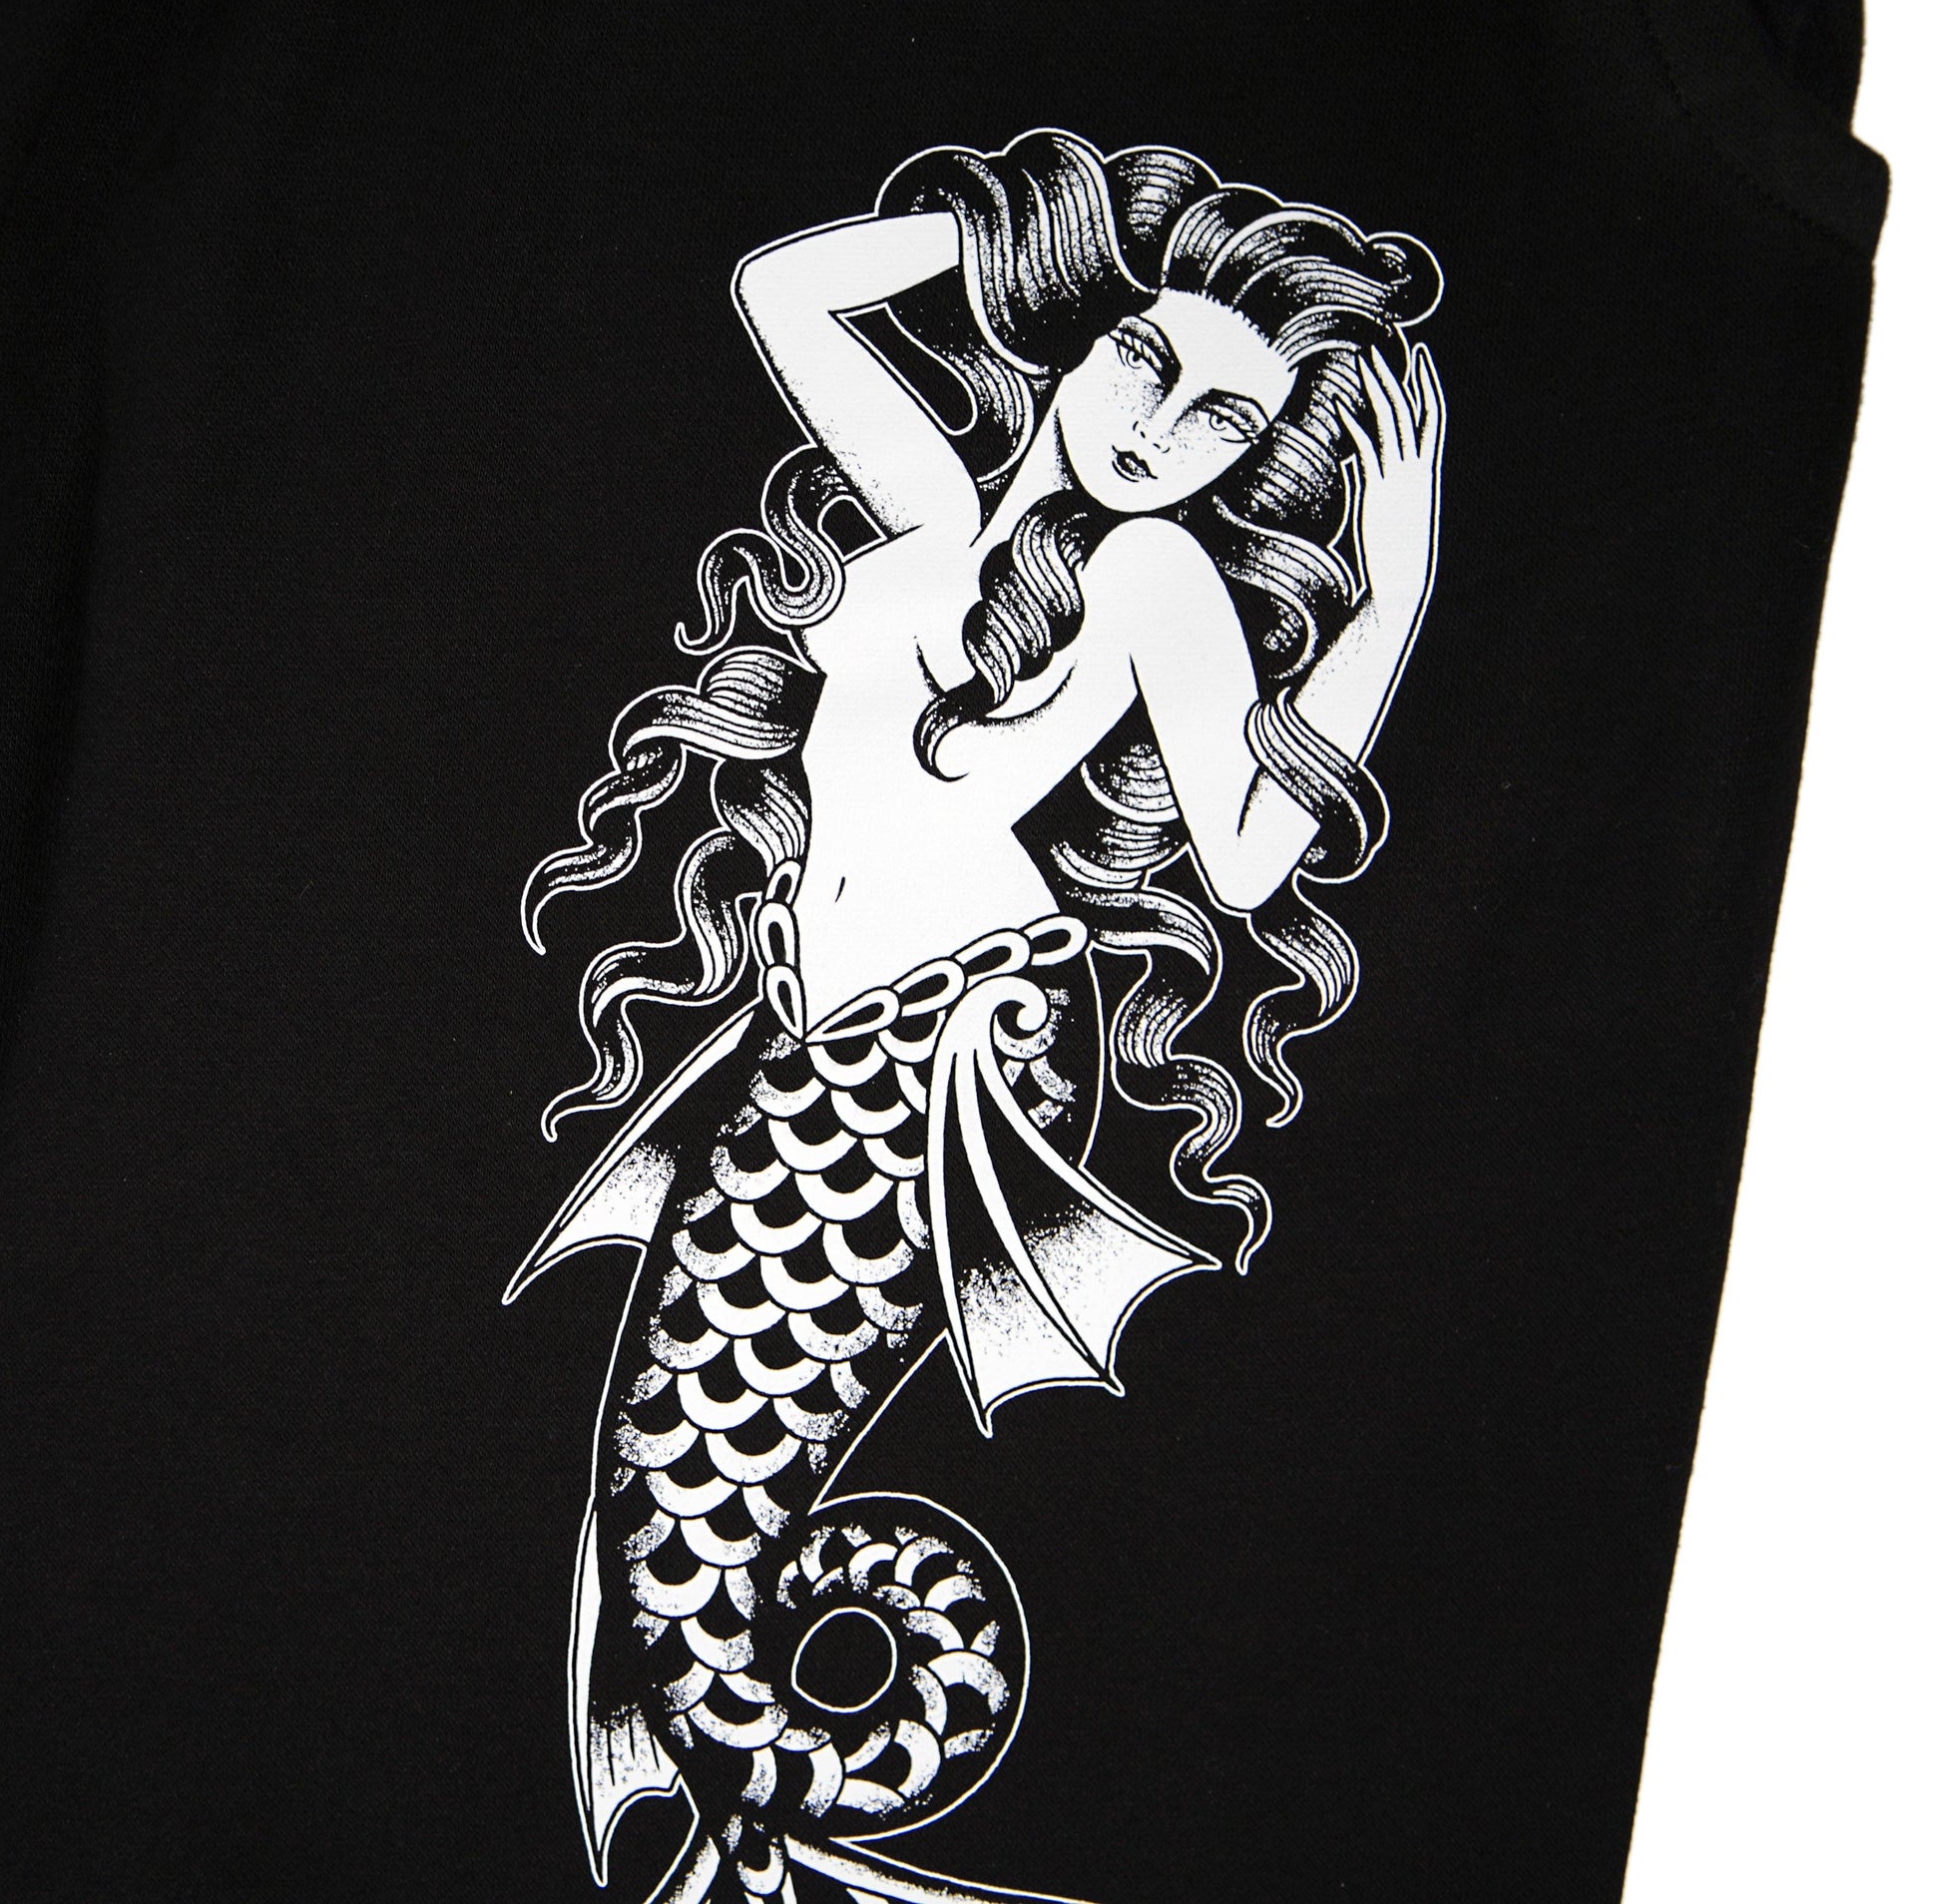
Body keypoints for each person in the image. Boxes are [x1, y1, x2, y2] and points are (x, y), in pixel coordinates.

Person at [510, 130, 1442, 1904]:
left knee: (683, 1508)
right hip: (809, 1035)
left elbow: (1245, 860)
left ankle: (764, 1832)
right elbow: (784, 288)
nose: (1159, 429)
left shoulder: (1157, 579)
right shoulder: (931, 513)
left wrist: (1388, 601)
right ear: (1081, 334)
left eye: (1222, 424)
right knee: (659, 1499)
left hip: (945, 1045)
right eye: (1142, 359)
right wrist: (1033, 236)